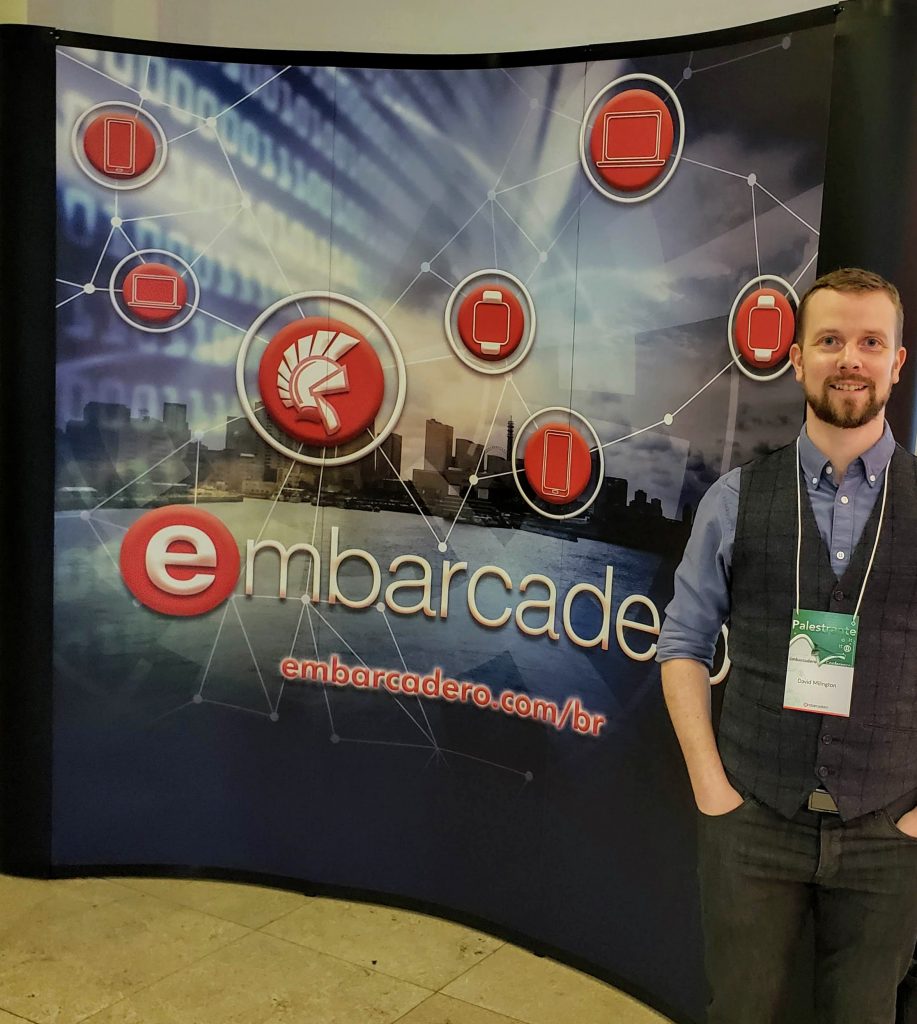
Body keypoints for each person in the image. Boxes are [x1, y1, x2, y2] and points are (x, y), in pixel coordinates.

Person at [657, 267, 917, 1024]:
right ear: (796, 357)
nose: (850, 359)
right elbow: (682, 644)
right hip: (751, 824)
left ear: (896, 362)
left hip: (888, 835)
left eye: (871, 342)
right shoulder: (734, 499)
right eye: (829, 340)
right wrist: (712, 790)